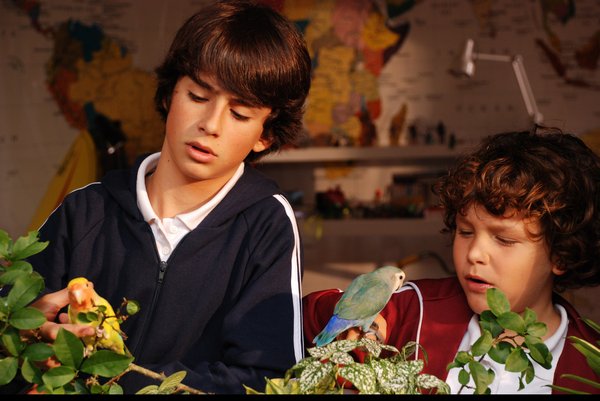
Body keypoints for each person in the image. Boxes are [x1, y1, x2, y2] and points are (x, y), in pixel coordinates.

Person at [24, 0, 311, 394]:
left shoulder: (266, 225)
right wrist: (26, 337)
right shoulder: (84, 211)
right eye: (198, 96)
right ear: (168, 94)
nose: (210, 124)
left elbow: (267, 379)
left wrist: (111, 380)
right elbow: (14, 343)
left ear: (266, 134)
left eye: (240, 114)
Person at [303, 128, 600, 394]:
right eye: (465, 231)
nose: (474, 253)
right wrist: (365, 320)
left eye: (504, 239)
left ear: (561, 253)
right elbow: (304, 317)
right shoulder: (413, 309)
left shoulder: (589, 364)